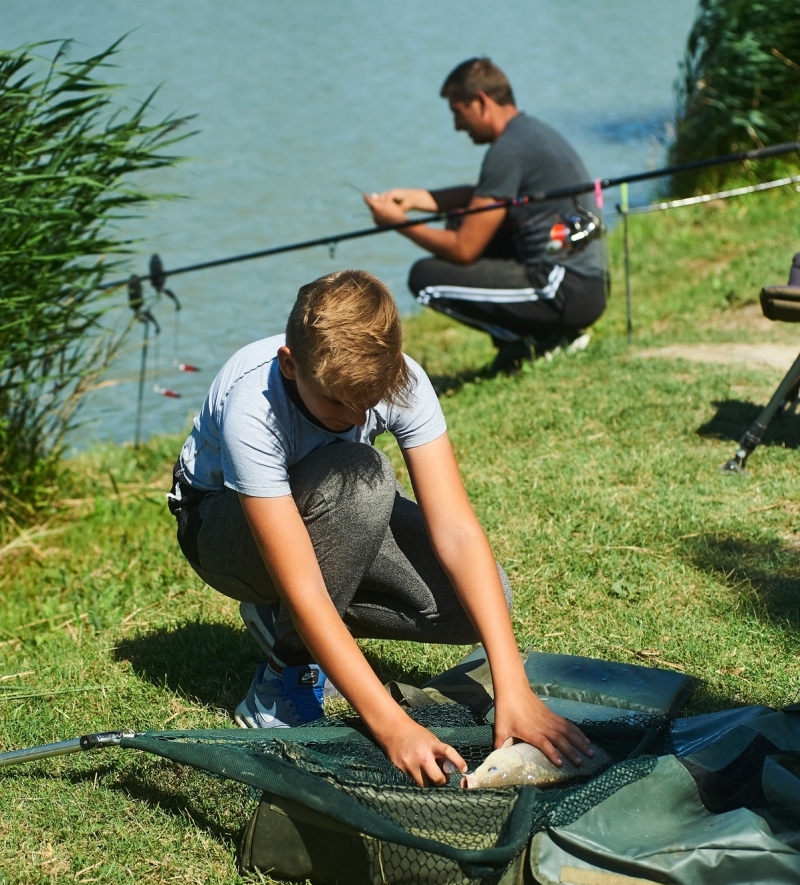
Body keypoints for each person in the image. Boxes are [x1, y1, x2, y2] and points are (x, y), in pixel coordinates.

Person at [167, 268, 592, 787]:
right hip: (219, 528)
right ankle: (280, 683)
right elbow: (304, 590)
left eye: (367, 403)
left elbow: (457, 530)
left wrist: (513, 686)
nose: (353, 417)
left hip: (329, 509)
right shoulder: (253, 408)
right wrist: (393, 727)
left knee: (483, 602)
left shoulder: (401, 378)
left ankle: (275, 619)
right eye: (335, 403)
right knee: (363, 476)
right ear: (289, 364)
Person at [364, 57, 607, 373]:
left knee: (426, 281)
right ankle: (542, 336)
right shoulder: (528, 133)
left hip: (563, 289)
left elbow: (464, 249)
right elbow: (480, 197)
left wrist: (398, 222)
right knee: (459, 217)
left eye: (457, 112)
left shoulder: (507, 151)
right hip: (586, 287)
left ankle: (540, 341)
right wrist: (416, 199)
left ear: (480, 102)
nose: (457, 125)